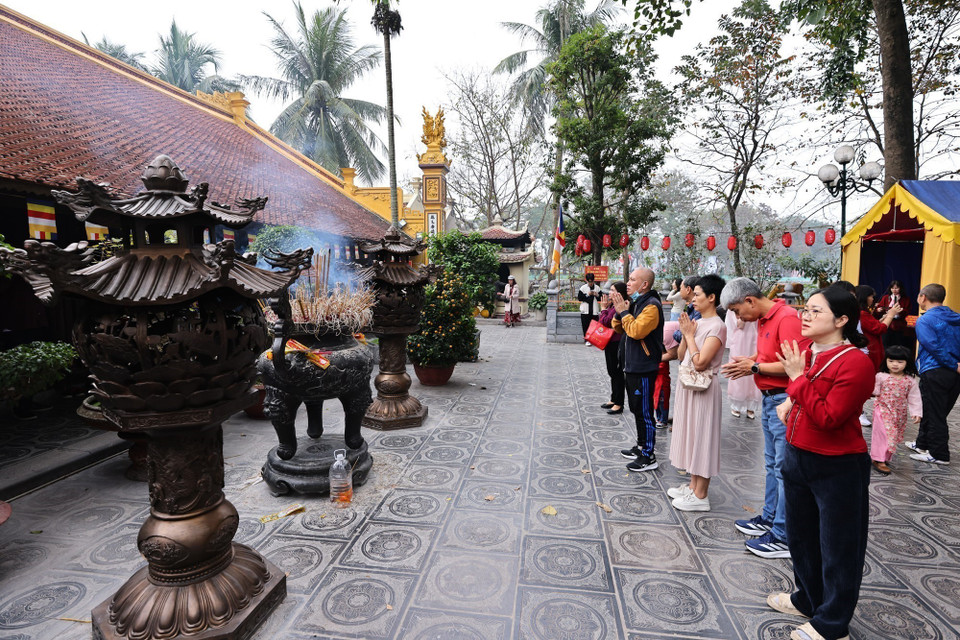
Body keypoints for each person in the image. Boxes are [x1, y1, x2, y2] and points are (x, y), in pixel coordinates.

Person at [766, 286, 875, 640]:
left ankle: (832, 623)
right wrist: (791, 401)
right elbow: (807, 398)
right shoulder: (809, 353)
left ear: (842, 320)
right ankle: (808, 599)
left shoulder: (857, 362)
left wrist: (796, 382)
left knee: (838, 547)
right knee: (802, 539)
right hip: (799, 456)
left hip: (837, 466)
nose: (806, 316)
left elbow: (830, 417)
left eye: (816, 311)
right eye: (805, 310)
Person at [720, 277, 808, 560]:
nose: (737, 317)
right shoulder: (763, 319)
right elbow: (768, 354)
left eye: (735, 311)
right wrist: (751, 362)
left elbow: (795, 364)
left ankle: (783, 535)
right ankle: (770, 518)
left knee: (783, 468)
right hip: (769, 398)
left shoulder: (787, 318)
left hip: (784, 398)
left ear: (749, 300)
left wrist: (755, 366)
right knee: (771, 464)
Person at [667, 274, 728, 512]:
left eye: (698, 295)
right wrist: (685, 333)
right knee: (691, 435)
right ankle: (693, 487)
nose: (693, 299)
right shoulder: (699, 322)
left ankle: (701, 494)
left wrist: (690, 336)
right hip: (689, 386)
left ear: (712, 298)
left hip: (704, 388)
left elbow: (701, 362)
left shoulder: (718, 327)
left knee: (703, 438)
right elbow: (682, 356)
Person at [610, 267, 664, 472]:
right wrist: (620, 311)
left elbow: (636, 331)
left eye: (632, 279)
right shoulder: (637, 303)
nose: (628, 283)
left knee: (644, 411)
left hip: (643, 366)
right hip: (631, 364)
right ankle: (641, 445)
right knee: (636, 408)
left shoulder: (651, 306)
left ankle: (649, 454)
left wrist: (624, 311)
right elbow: (619, 328)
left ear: (645, 285)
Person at [905, 283, 960, 465]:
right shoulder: (956, 317)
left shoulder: (925, 320)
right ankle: (922, 444)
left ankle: (939, 454)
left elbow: (932, 346)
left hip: (935, 370)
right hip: (954, 372)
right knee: (934, 410)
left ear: (923, 297)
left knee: (934, 412)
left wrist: (952, 363)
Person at [869, 345, 922, 474]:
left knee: (893, 435)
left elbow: (914, 397)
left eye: (899, 362)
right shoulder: (881, 376)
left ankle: (884, 457)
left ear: (907, 363)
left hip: (899, 413)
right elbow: (874, 390)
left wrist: (916, 412)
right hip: (882, 410)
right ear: (885, 361)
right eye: (891, 361)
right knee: (884, 434)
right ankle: (878, 459)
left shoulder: (910, 380)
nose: (895, 365)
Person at [855, 285, 901, 372]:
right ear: (864, 297)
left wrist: (884, 318)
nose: (872, 299)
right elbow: (879, 329)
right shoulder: (862, 314)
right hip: (870, 349)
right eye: (871, 296)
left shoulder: (860, 312)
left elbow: (871, 326)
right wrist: (891, 315)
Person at [725, 308, 761, 419]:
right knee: (738, 368)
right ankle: (736, 405)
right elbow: (737, 325)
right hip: (739, 339)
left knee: (752, 369)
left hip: (754, 338)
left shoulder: (754, 305)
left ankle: (751, 406)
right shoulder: (733, 308)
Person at [598, 282, 626, 415]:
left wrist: (603, 309)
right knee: (612, 371)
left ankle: (619, 403)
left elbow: (606, 322)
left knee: (617, 373)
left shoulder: (619, 307)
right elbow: (603, 321)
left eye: (612, 290)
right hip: (610, 341)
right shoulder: (612, 306)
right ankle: (614, 399)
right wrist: (605, 309)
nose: (609, 292)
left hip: (617, 342)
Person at [655, 320, 680, 428]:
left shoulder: (666, 334)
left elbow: (673, 355)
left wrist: (652, 360)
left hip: (662, 381)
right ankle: (660, 418)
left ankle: (663, 420)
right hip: (657, 380)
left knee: (662, 400)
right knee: (657, 400)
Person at [875, 280, 912, 348]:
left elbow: (907, 311)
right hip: (887, 324)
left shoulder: (905, 299)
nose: (894, 290)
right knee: (885, 343)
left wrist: (900, 311)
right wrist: (879, 309)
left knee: (898, 345)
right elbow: (878, 307)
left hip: (899, 324)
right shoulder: (886, 297)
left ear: (900, 288)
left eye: (896, 288)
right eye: (892, 288)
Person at [672, 276, 701, 344]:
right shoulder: (691, 308)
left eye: (681, 288)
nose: (680, 291)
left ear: (688, 289)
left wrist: (676, 333)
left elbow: (687, 334)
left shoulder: (698, 310)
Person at [578, 273, 601, 344]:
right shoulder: (583, 288)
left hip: (594, 311)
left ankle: (593, 340)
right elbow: (580, 298)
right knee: (585, 326)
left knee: (594, 326)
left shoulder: (597, 288)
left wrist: (596, 294)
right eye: (589, 281)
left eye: (592, 281)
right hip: (585, 311)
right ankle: (587, 340)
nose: (591, 283)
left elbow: (600, 298)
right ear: (586, 281)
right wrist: (588, 294)